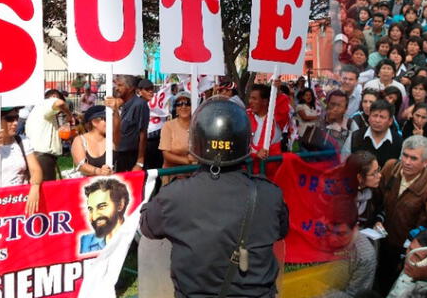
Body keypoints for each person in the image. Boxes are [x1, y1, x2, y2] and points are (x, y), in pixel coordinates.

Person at [140, 96, 289, 297]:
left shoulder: (174, 196)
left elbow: (147, 227)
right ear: (245, 143)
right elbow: (281, 231)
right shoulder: (270, 194)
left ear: (196, 143)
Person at [374, 135, 427, 295]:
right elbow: (377, 199)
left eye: (413, 158)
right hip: (379, 239)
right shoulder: (390, 168)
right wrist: (377, 219)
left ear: (426, 162)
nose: (407, 162)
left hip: (401, 252)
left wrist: (406, 256)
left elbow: (422, 228)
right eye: (405, 155)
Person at [0, 106, 43, 215]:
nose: (15, 123)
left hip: (19, 204)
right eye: (10, 119)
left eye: (16, 118)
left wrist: (35, 186)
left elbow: (35, 170)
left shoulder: (22, 141)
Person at [26, 89, 74, 180]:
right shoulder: (47, 103)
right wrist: (69, 114)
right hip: (43, 157)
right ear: (53, 97)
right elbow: (59, 103)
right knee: (47, 191)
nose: (60, 111)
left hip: (39, 155)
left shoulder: (40, 109)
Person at [104, 75, 149, 172]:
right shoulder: (119, 105)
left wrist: (140, 162)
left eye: (120, 85)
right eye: (116, 85)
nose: (116, 88)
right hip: (118, 155)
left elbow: (143, 134)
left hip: (132, 156)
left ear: (131, 88)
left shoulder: (140, 104)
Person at [80, 177, 130, 254]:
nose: (94, 216)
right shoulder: (86, 241)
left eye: (101, 207)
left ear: (120, 205)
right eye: (91, 209)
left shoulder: (133, 236)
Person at [349, 99, 403, 167]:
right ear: (369, 117)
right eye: (374, 116)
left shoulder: (398, 141)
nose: (377, 120)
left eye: (382, 117)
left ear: (390, 121)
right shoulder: (355, 136)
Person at [159, 92, 196, 182]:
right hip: (172, 176)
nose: (183, 106)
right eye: (179, 104)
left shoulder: (198, 126)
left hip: (194, 176)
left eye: (187, 103)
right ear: (175, 108)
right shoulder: (168, 126)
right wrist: (187, 161)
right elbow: (166, 154)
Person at [70, 105, 112, 177]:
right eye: (106, 119)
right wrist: (99, 171)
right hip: (87, 185)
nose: (110, 122)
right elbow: (81, 166)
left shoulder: (112, 139)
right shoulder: (80, 140)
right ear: (94, 122)